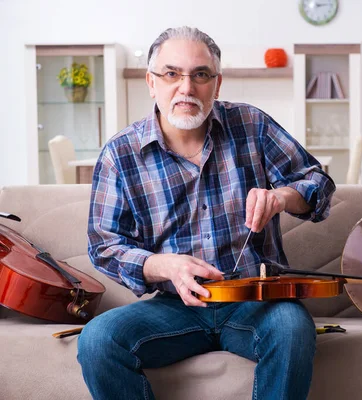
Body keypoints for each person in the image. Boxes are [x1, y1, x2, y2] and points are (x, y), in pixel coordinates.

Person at [77, 26, 336, 400]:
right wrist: (165, 266)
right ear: (152, 83)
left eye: (200, 75)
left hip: (255, 300)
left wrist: (282, 196)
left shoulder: (252, 125)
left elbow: (318, 183)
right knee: (98, 340)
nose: (186, 88)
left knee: (293, 329)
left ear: (216, 84)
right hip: (174, 307)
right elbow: (104, 245)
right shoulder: (120, 154)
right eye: (171, 74)